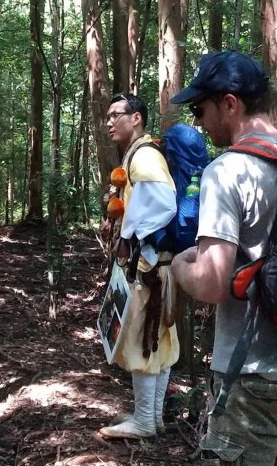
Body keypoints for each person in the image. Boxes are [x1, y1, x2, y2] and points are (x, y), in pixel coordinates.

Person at [170, 51, 277, 466]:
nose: (198, 122)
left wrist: (177, 265)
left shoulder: (227, 170)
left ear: (229, 103)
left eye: (199, 108)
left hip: (254, 378)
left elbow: (210, 284)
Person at [98, 93, 180, 439]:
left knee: (140, 339)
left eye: (117, 115)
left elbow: (163, 202)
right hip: (158, 265)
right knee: (158, 339)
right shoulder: (140, 154)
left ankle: (145, 421)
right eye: (107, 117)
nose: (109, 122)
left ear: (137, 118)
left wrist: (131, 236)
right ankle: (153, 416)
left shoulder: (144, 156)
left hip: (148, 265)